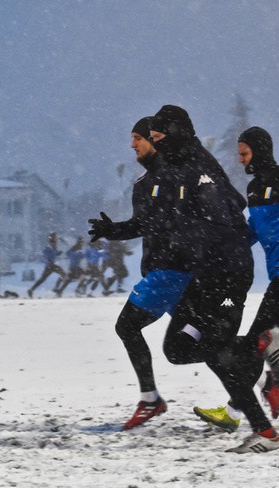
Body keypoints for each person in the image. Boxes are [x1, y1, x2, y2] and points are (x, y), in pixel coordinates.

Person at [148, 105, 278, 453]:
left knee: (214, 351)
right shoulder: (178, 166)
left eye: (158, 136)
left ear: (175, 132)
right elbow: (233, 200)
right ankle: (253, 350)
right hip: (206, 272)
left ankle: (263, 430)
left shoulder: (195, 165)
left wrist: (198, 234)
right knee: (178, 348)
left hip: (227, 273)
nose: (153, 142)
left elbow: (223, 206)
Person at [193, 126, 279, 433]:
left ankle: (234, 412)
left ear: (260, 151)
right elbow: (254, 229)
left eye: (244, 153)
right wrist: (222, 248)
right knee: (254, 345)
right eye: (239, 154)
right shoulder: (254, 189)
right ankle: (243, 405)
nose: (240, 160)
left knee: (253, 344)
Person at [89, 116, 192, 430]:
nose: (132, 144)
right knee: (194, 344)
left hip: (170, 273)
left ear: (156, 140)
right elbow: (142, 225)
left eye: (138, 138)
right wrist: (112, 230)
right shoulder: (144, 183)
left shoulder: (180, 177)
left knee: (127, 327)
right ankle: (251, 356)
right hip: (174, 272)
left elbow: (163, 224)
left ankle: (150, 399)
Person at [27, 232, 66, 298]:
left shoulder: (53, 246)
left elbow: (54, 253)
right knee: (63, 274)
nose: (57, 238)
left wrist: (58, 253)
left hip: (49, 266)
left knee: (42, 279)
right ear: (53, 238)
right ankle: (57, 289)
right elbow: (46, 253)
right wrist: (49, 260)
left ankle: (31, 290)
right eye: (56, 237)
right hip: (50, 265)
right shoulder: (49, 246)